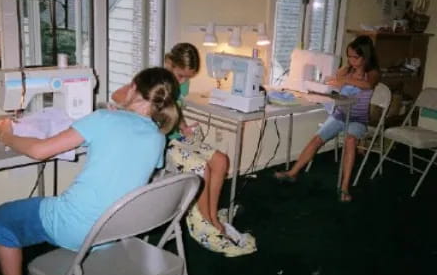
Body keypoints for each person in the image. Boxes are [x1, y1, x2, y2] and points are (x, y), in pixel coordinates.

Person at [0, 67, 180, 275]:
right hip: (113, 230)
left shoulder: (102, 118)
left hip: (76, 228)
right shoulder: (158, 137)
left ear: (133, 88)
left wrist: (5, 134)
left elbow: (39, 151)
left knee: (1, 219)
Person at [112, 43, 256, 257]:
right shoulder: (153, 81)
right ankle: (205, 224)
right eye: (179, 76)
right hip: (159, 141)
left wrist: (184, 127)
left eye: (187, 78)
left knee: (221, 161)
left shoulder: (182, 84)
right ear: (168, 62)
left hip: (176, 136)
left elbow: (174, 108)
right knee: (200, 167)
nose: (182, 82)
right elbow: (117, 96)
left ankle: (213, 216)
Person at [274, 35, 380, 202]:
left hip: (358, 119)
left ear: (365, 56)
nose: (351, 60)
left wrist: (344, 79)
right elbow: (333, 81)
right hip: (340, 114)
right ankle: (292, 173)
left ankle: (344, 187)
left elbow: (368, 85)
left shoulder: (372, 73)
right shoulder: (347, 70)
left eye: (355, 57)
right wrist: (335, 79)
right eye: (349, 56)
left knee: (350, 141)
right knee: (317, 139)